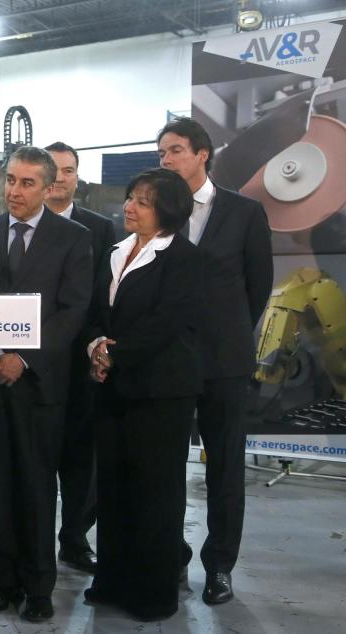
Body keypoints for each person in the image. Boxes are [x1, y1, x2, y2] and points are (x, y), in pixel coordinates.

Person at [0, 146, 93, 622]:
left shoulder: (73, 238)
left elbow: (73, 310)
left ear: (48, 188)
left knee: (38, 489)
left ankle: (39, 588)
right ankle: (2, 581)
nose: (14, 191)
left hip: (41, 387)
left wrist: (24, 357)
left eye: (26, 183)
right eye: (10, 180)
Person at [157, 117, 273, 604]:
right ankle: (173, 560)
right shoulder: (158, 214)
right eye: (161, 152)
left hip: (225, 362)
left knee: (225, 468)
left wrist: (224, 336)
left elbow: (258, 286)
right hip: (168, 362)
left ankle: (220, 566)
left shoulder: (244, 213)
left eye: (176, 150)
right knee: (165, 468)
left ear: (203, 154)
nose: (166, 159)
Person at [84, 167, 203, 621]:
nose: (129, 206)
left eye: (142, 201)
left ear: (167, 211)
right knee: (113, 489)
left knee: (156, 492)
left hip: (161, 392)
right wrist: (97, 345)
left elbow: (168, 322)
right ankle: (112, 582)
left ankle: (153, 594)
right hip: (113, 387)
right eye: (131, 197)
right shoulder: (114, 251)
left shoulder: (184, 258)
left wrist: (118, 354)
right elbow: (97, 310)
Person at [43, 142, 116, 574]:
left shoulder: (99, 229)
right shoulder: (9, 228)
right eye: (53, 171)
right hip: (28, 362)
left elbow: (102, 298)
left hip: (78, 361)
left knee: (80, 458)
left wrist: (98, 345)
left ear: (77, 177)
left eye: (68, 171)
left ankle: (73, 538)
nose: (60, 178)